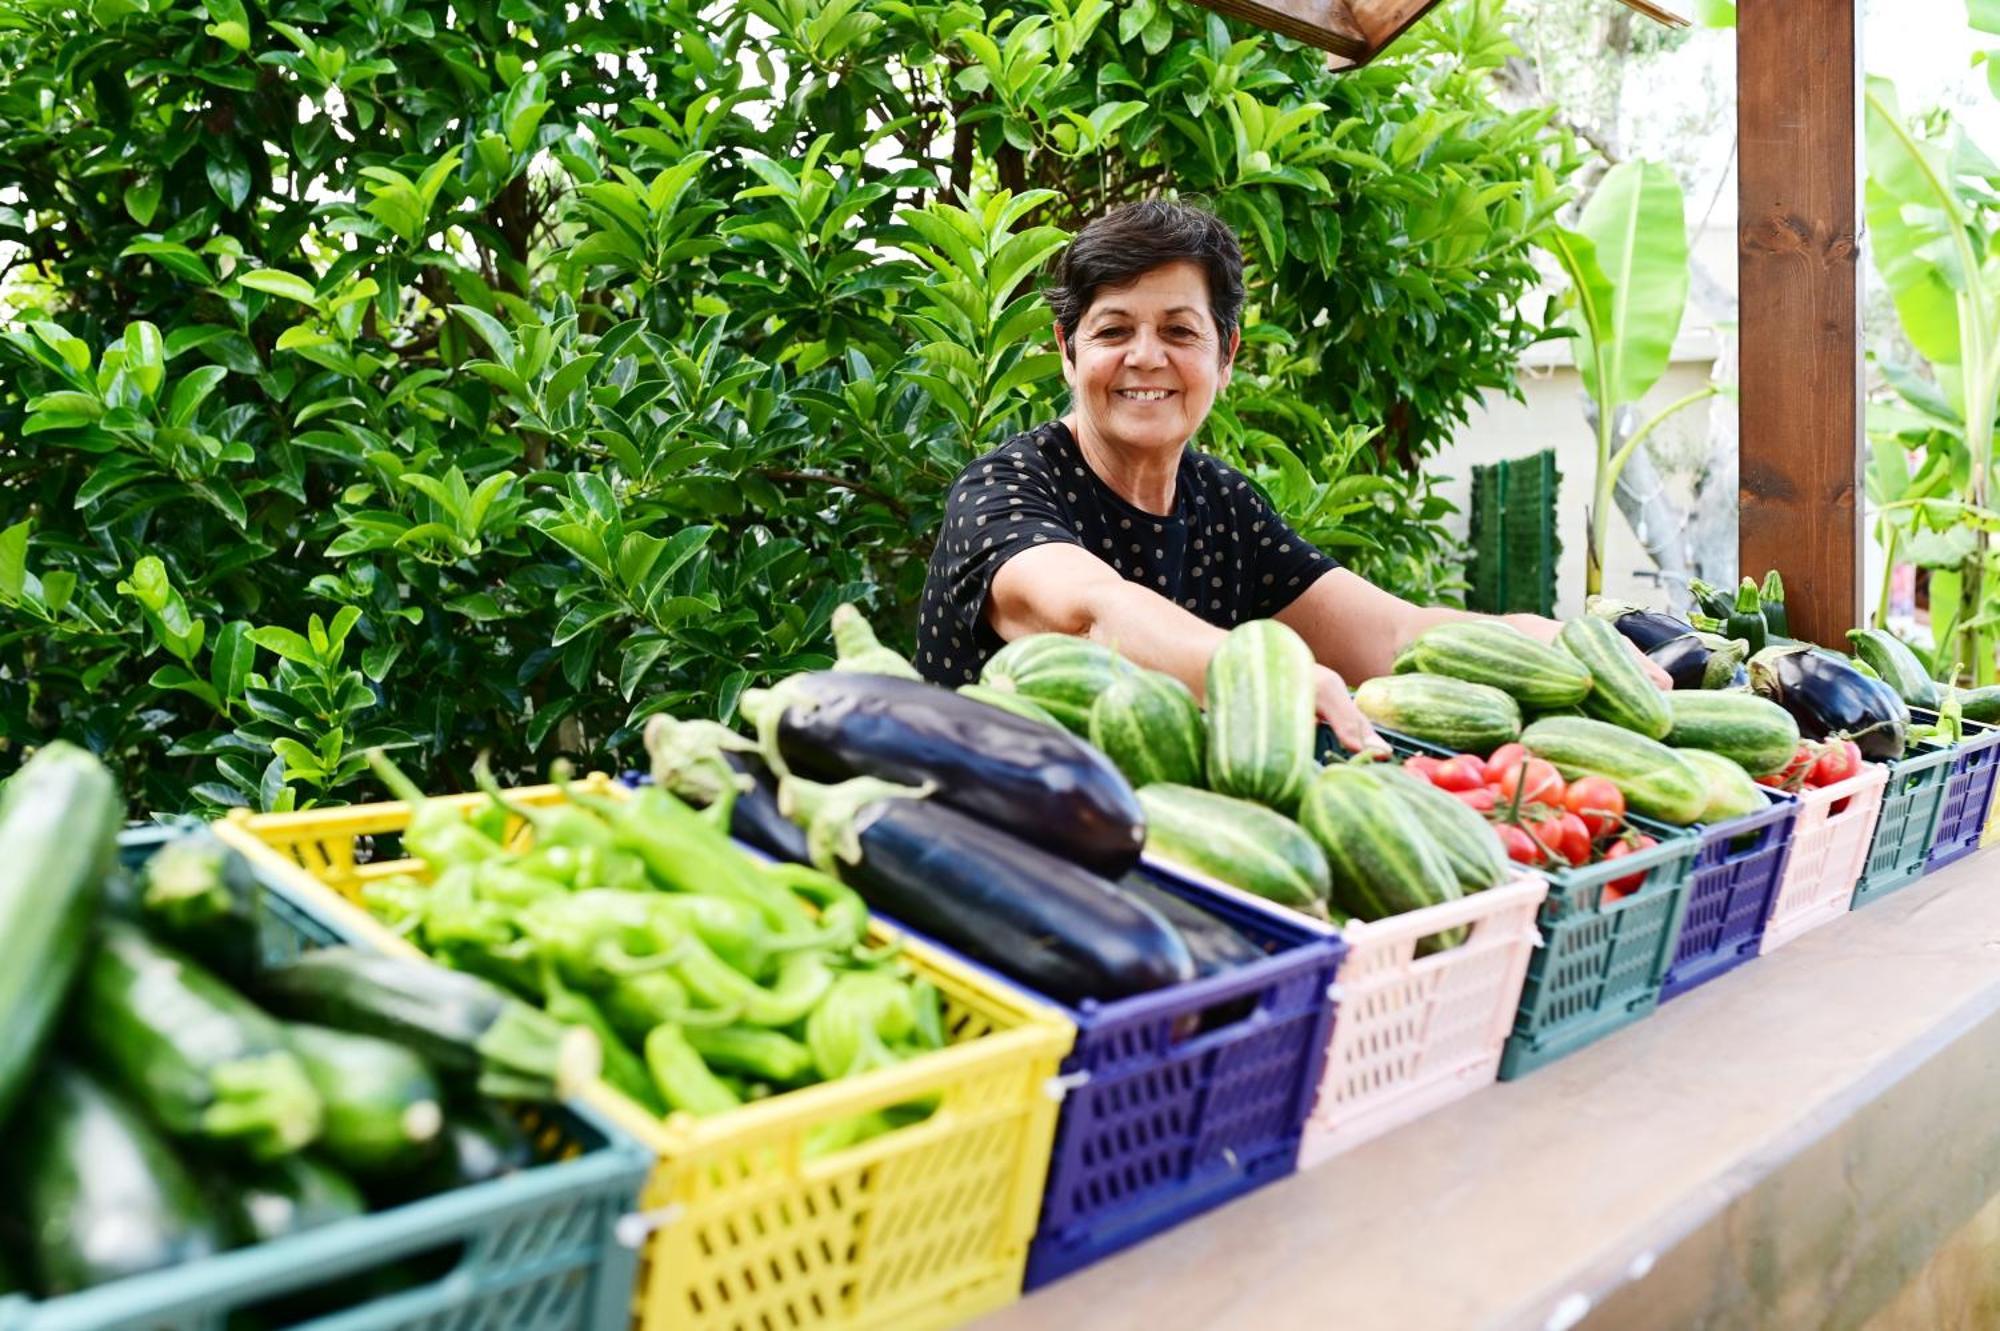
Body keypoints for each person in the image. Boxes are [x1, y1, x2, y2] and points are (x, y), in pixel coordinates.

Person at [914, 199, 1668, 752]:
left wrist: (1542, 642)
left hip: (1156, 854)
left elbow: (1395, 633)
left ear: (1226, 355)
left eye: (1179, 330)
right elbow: (1092, 614)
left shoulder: (1224, 507)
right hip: (984, 859)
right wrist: (1260, 676)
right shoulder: (1006, 489)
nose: (1146, 357)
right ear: (1069, 350)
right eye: (1114, 330)